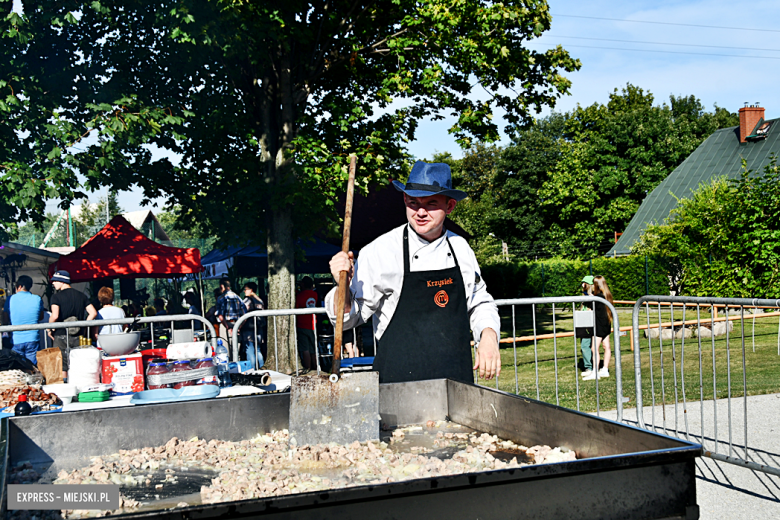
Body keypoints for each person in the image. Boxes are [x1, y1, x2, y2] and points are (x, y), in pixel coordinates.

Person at [326, 161, 501, 383]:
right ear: (404, 200)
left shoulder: (460, 248)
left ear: (450, 207)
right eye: (413, 202)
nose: (420, 212)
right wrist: (343, 287)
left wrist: (488, 335)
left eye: (431, 204)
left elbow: (479, 302)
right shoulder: (380, 251)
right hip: (398, 385)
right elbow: (350, 318)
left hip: (456, 384)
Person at [48, 270, 97, 380]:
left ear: (62, 281)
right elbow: (93, 313)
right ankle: (80, 384)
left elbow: (55, 316)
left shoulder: (56, 297)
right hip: (78, 334)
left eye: (55, 280)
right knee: (79, 362)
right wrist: (84, 325)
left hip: (61, 335)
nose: (53, 283)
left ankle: (66, 387)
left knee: (63, 365)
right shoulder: (81, 296)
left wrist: (49, 328)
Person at [3, 276, 44, 365]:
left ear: (20, 286)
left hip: (16, 339)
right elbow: (41, 316)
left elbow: (5, 318)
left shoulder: (10, 299)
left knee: (18, 367)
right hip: (33, 338)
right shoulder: (37, 298)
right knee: (32, 367)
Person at [588, 275, 614, 380]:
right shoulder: (607, 295)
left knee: (594, 348)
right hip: (606, 324)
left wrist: (589, 296)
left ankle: (595, 371)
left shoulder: (597, 297)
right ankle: (605, 369)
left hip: (599, 325)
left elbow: (591, 307)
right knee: (606, 346)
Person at [215, 278, 247, 353]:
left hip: (225, 324)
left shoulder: (221, 298)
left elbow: (220, 315)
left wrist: (227, 327)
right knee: (236, 349)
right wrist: (239, 327)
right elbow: (245, 315)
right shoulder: (238, 298)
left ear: (222, 286)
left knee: (225, 350)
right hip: (237, 323)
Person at [296, 276, 319, 371]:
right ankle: (316, 367)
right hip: (313, 324)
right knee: (313, 348)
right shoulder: (315, 294)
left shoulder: (299, 296)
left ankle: (308, 368)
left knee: (305, 348)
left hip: (302, 324)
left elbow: (297, 307)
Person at [242, 282, 266, 367]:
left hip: (249, 329)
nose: (244, 291)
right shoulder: (260, 300)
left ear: (251, 290)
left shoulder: (247, 301)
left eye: (245, 289)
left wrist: (240, 326)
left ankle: (252, 370)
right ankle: (262, 367)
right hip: (259, 328)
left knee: (250, 350)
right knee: (258, 350)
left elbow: (243, 314)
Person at [577, 276, 595, 380]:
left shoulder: (592, 296)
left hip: (589, 325)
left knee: (585, 345)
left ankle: (589, 367)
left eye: (584, 283)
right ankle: (589, 366)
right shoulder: (584, 296)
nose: (582, 285)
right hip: (583, 323)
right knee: (585, 345)